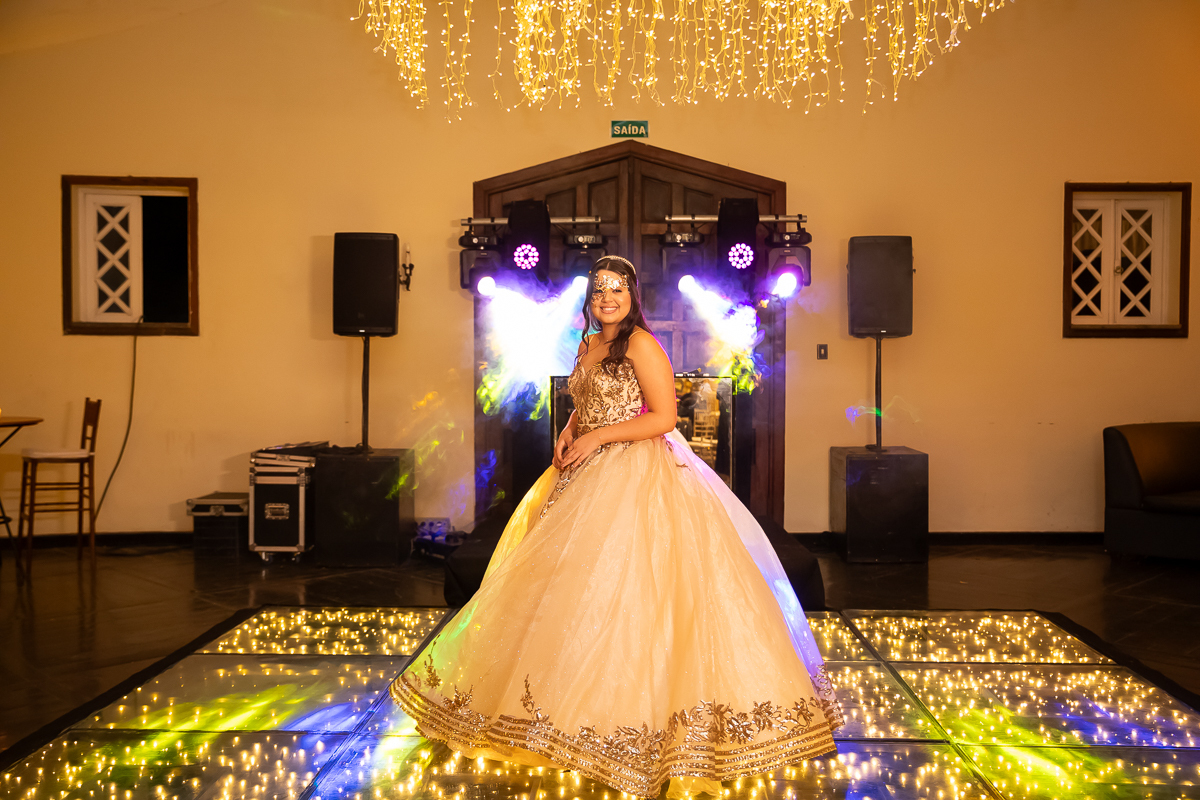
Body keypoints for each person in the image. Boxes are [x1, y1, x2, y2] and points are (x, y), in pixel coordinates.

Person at [390, 255, 843, 798]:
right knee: (567, 592)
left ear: (632, 296)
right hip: (583, 468)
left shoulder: (643, 345)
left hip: (637, 473)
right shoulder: (587, 344)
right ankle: (556, 720)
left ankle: (637, 728)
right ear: (589, 299)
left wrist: (598, 437)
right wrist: (571, 427)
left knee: (630, 590)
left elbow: (664, 418)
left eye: (617, 289)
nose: (608, 299)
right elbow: (587, 401)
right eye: (599, 290)